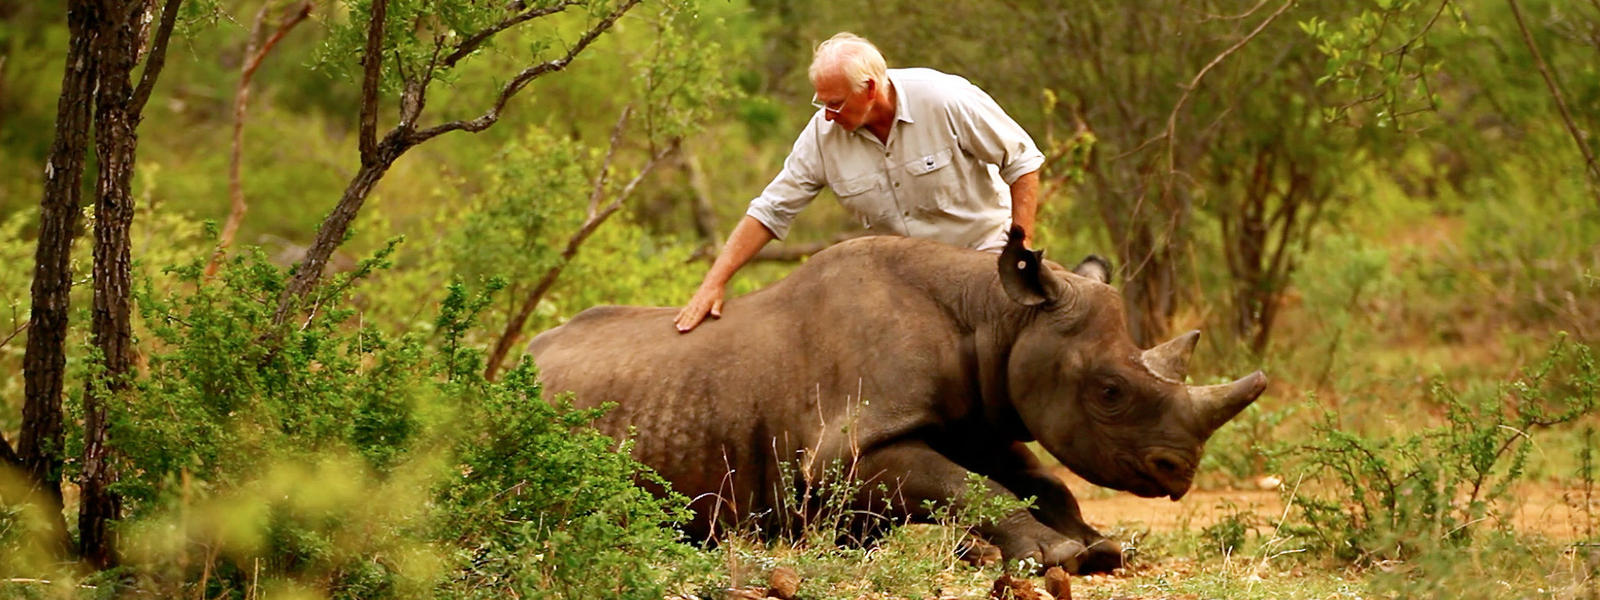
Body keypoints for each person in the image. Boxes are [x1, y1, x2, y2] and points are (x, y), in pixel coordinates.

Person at [674, 32, 1045, 333]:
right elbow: (771, 210)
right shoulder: (823, 133)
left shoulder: (945, 99)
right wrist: (714, 281)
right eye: (820, 104)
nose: (827, 115)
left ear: (870, 89)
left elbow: (1022, 161)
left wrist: (1021, 245)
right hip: (909, 288)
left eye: (834, 103)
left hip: (983, 262)